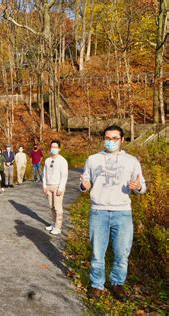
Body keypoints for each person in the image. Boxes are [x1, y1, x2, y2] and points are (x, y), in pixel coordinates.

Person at [80, 125, 146, 302]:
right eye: (108, 138)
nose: (111, 141)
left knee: (122, 252)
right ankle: (96, 285)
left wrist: (138, 187)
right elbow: (85, 181)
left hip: (123, 213)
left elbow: (142, 186)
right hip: (98, 211)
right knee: (97, 252)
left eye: (115, 138)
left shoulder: (132, 161)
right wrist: (84, 186)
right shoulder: (92, 160)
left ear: (122, 140)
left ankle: (117, 283)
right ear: (103, 139)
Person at [42, 140, 68, 235]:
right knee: (51, 207)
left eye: (55, 147)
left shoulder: (62, 161)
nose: (53, 149)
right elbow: (44, 173)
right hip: (48, 186)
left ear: (59, 149)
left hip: (57, 186)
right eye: (52, 147)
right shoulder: (47, 160)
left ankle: (58, 227)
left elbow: (64, 175)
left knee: (57, 207)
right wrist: (44, 185)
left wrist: (61, 188)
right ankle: (53, 224)